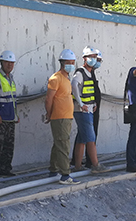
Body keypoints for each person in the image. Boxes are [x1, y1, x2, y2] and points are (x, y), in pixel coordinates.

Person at [71, 47, 109, 173]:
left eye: (95, 57)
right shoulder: (80, 72)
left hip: (88, 109)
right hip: (82, 110)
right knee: (91, 139)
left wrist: (93, 103)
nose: (93, 59)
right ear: (84, 58)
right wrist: (81, 103)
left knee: (82, 138)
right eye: (91, 57)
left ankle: (77, 166)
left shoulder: (89, 73)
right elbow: (74, 85)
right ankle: (96, 165)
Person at [45, 49, 79, 184]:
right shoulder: (55, 78)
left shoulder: (66, 78)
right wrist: (49, 114)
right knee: (63, 144)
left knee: (58, 143)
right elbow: (49, 99)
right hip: (59, 117)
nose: (71, 65)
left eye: (72, 62)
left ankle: (53, 170)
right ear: (62, 63)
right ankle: (65, 174)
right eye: (68, 62)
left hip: (66, 117)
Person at [0, 50, 19, 179]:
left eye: (12, 63)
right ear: (1, 63)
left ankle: (5, 169)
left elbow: (13, 98)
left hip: (10, 117)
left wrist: (16, 115)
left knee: (8, 145)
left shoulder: (11, 78)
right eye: (7, 62)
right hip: (0, 117)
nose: (10, 65)